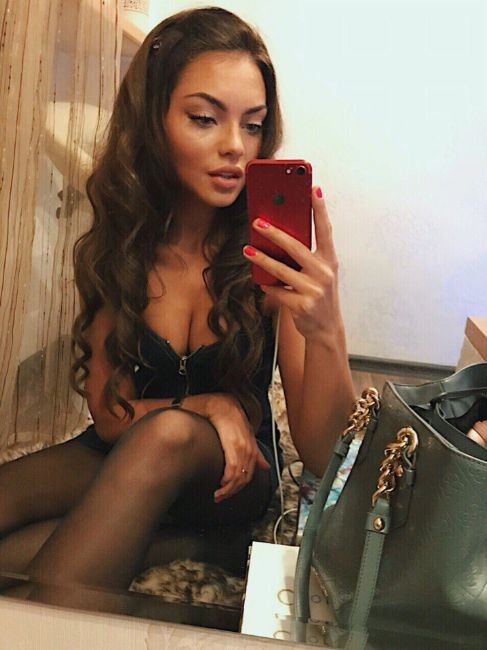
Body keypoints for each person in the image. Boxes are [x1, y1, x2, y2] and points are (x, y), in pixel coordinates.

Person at [0, 7, 355, 596]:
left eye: (253, 125)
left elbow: (324, 453)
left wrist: (325, 328)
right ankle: (182, 540)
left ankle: (199, 535)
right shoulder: (124, 241)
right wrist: (209, 403)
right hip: (128, 444)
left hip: (231, 474)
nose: (235, 146)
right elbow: (110, 418)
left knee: (168, 436)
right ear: (153, 120)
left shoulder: (269, 253)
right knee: (10, 520)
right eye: (204, 119)